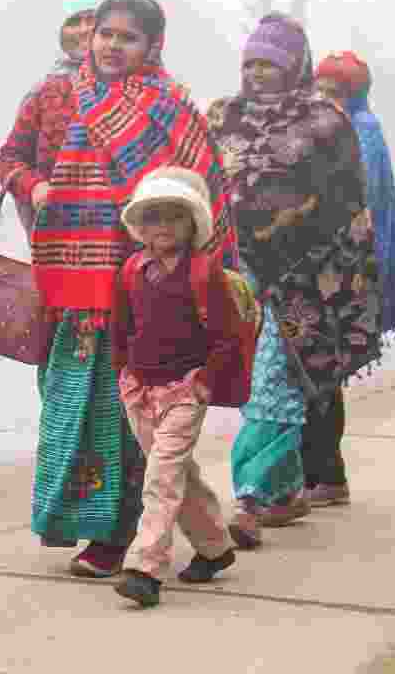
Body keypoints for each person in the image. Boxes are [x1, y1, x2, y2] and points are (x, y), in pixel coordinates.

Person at [24, 0, 238, 578]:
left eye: (129, 37)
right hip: (77, 291)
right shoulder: (71, 94)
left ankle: (117, 539)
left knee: (131, 426)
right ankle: (179, 538)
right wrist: (37, 188)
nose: (113, 46)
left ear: (153, 46)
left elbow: (201, 193)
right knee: (77, 413)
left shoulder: (169, 106)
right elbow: (39, 168)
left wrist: (197, 280)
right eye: (106, 34)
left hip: (145, 292)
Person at [211, 13, 381, 548]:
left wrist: (291, 249)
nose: (258, 74)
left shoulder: (327, 123)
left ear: (295, 67)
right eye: (251, 64)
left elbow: (348, 204)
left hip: (301, 284)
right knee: (252, 389)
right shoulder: (220, 116)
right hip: (231, 280)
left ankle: (250, 498)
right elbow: (201, 186)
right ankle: (287, 492)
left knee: (273, 389)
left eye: (270, 64)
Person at [110, 167, 244, 607]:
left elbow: (227, 337)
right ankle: (215, 547)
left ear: (193, 224)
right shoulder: (131, 271)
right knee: (176, 474)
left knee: (161, 478)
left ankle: (145, 567)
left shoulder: (206, 274)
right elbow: (121, 330)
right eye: (153, 217)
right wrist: (122, 373)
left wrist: (203, 383)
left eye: (173, 217)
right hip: (139, 390)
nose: (163, 227)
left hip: (185, 392)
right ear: (139, 225)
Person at [308, 50, 395, 506]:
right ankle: (316, 474)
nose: (326, 100)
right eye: (320, 90)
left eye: (336, 93)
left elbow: (358, 196)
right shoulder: (324, 128)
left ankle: (326, 476)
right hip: (320, 268)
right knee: (310, 374)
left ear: (355, 96)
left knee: (322, 375)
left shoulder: (363, 131)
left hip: (347, 269)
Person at [0, 0, 98, 234]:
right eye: (74, 22)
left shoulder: (138, 86)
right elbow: (9, 159)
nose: (84, 30)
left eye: (91, 20)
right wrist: (34, 187)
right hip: (58, 233)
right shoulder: (45, 91)